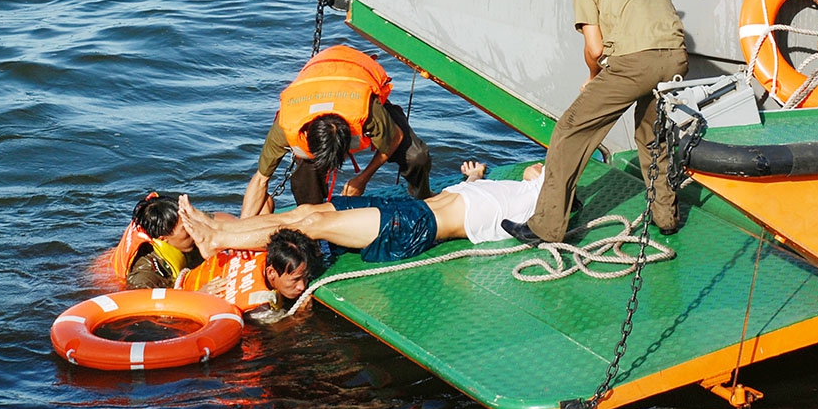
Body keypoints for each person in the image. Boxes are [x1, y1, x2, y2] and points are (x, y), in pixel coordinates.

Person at [500, 0, 689, 245]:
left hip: (634, 64)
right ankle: (666, 217)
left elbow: (596, 48)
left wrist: (593, 78)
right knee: (651, 136)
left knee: (570, 132)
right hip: (676, 60)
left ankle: (546, 227)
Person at [180, 161, 545, 263]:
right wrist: (476, 178)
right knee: (305, 209)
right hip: (412, 207)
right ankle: (220, 230)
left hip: (417, 226)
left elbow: (537, 178)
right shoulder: (530, 186)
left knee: (315, 224)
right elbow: (533, 171)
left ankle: (218, 239)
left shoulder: (541, 205)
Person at [241, 44, 433, 218]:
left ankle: (422, 199)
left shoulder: (366, 111)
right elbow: (260, 180)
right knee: (304, 177)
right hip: (315, 84)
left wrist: (362, 179)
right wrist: (241, 229)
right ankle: (313, 219)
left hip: (357, 79)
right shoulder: (286, 125)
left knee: (417, 155)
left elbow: (395, 137)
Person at [110, 193, 205, 290]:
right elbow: (139, 301)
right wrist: (200, 294)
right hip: (106, 274)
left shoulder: (187, 242)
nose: (194, 229)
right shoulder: (146, 274)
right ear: (163, 238)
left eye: (191, 221)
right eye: (185, 228)